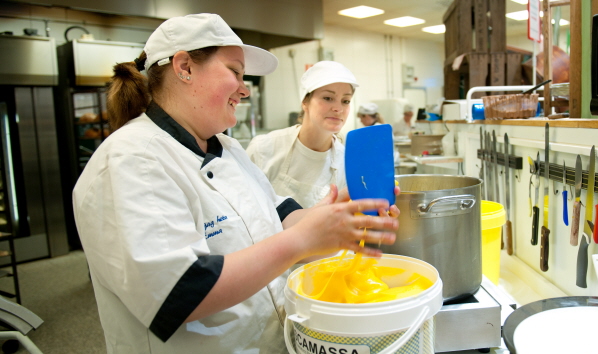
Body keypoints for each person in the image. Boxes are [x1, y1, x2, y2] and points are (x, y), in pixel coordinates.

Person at [72, 14, 398, 354]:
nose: (244, 89)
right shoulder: (130, 160)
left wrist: (337, 216)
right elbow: (181, 292)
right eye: (234, 72)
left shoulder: (227, 148)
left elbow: (278, 215)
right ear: (184, 67)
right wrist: (301, 241)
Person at [246, 61, 356, 208]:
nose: (338, 108)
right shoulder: (264, 149)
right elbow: (243, 211)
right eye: (328, 98)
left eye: (345, 101)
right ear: (305, 102)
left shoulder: (348, 162)